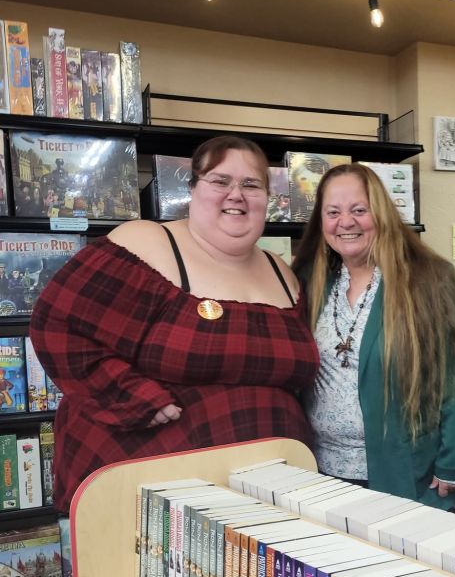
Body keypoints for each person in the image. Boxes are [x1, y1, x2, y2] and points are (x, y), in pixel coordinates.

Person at [30, 135, 320, 515]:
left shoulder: (283, 272)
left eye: (252, 184)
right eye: (220, 181)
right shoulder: (145, 242)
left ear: (268, 197)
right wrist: (132, 397)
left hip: (271, 492)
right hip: (148, 495)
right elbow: (58, 326)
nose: (237, 194)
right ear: (193, 189)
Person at [292, 163, 455, 510]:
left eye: (359, 210)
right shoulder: (309, 281)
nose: (346, 222)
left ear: (381, 213)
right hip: (321, 474)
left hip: (403, 475)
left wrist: (454, 463)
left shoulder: (428, 279)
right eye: (333, 212)